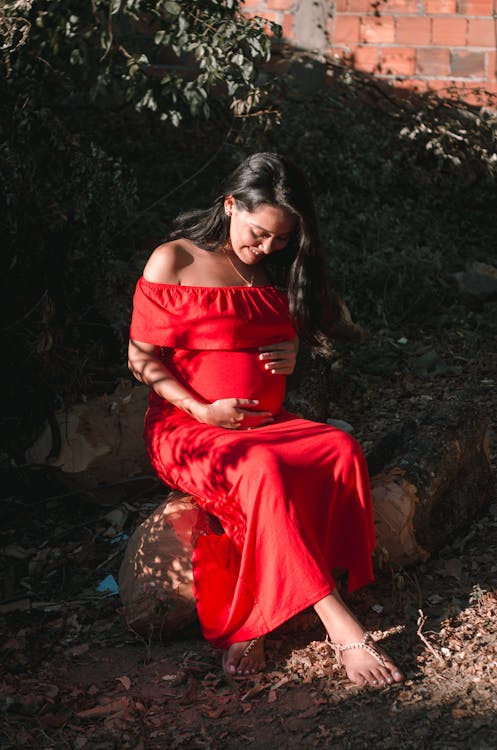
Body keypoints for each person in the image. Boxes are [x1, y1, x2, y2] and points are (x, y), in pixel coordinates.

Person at [128, 152, 403, 687]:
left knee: (339, 449)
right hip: (187, 428)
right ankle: (340, 624)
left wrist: (293, 350)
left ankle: (267, 603)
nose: (267, 247)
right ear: (231, 204)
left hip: (263, 422)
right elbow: (141, 360)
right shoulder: (174, 260)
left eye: (281, 238)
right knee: (263, 473)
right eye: (259, 233)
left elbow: (270, 336)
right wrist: (202, 409)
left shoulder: (272, 269)